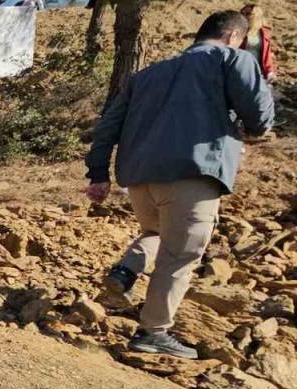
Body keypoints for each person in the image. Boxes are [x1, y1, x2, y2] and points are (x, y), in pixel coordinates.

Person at [85, 10, 274, 359]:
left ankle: (126, 270)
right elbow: (260, 116)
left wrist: (98, 173)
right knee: (180, 254)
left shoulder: (147, 74)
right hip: (193, 173)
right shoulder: (233, 59)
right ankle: (153, 332)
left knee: (157, 231)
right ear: (234, 36)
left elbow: (108, 126)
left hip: (140, 178)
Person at [241, 5, 277, 81]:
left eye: (248, 13)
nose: (243, 15)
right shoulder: (238, 30)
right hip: (240, 69)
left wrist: (270, 72)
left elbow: (266, 56)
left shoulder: (264, 33)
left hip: (258, 70)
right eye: (242, 12)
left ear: (257, 15)